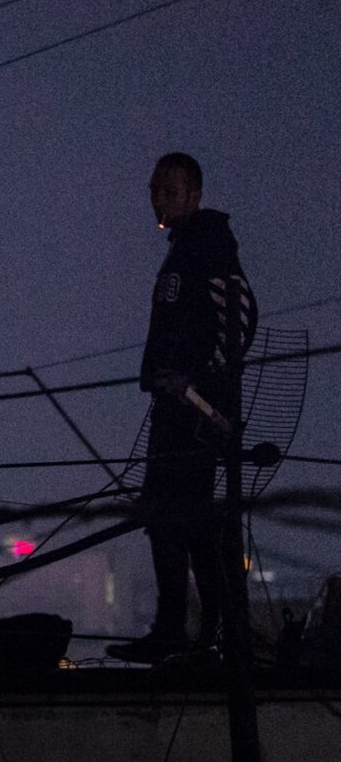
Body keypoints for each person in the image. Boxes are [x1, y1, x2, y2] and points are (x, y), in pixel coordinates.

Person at [113, 152, 257, 662]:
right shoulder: (185, 248)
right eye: (155, 190)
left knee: (177, 515)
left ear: (194, 194)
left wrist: (203, 387)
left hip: (195, 412)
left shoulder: (209, 244)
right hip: (175, 406)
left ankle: (192, 630)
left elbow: (237, 317)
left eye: (170, 190)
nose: (159, 198)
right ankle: (190, 629)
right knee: (173, 517)